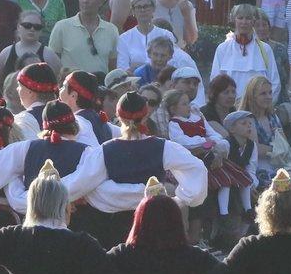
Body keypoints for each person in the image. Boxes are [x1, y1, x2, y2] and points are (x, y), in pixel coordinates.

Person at [60, 92, 209, 247]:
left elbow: (78, 183)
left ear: (119, 117)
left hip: (114, 228)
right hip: (153, 223)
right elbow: (196, 169)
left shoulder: (104, 151)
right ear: (145, 116)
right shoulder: (163, 147)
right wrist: (179, 200)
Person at [49, 0, 118, 75]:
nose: (85, 1)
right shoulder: (62, 27)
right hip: (72, 86)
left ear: (101, 1)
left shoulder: (111, 30)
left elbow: (113, 65)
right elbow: (52, 61)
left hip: (99, 86)